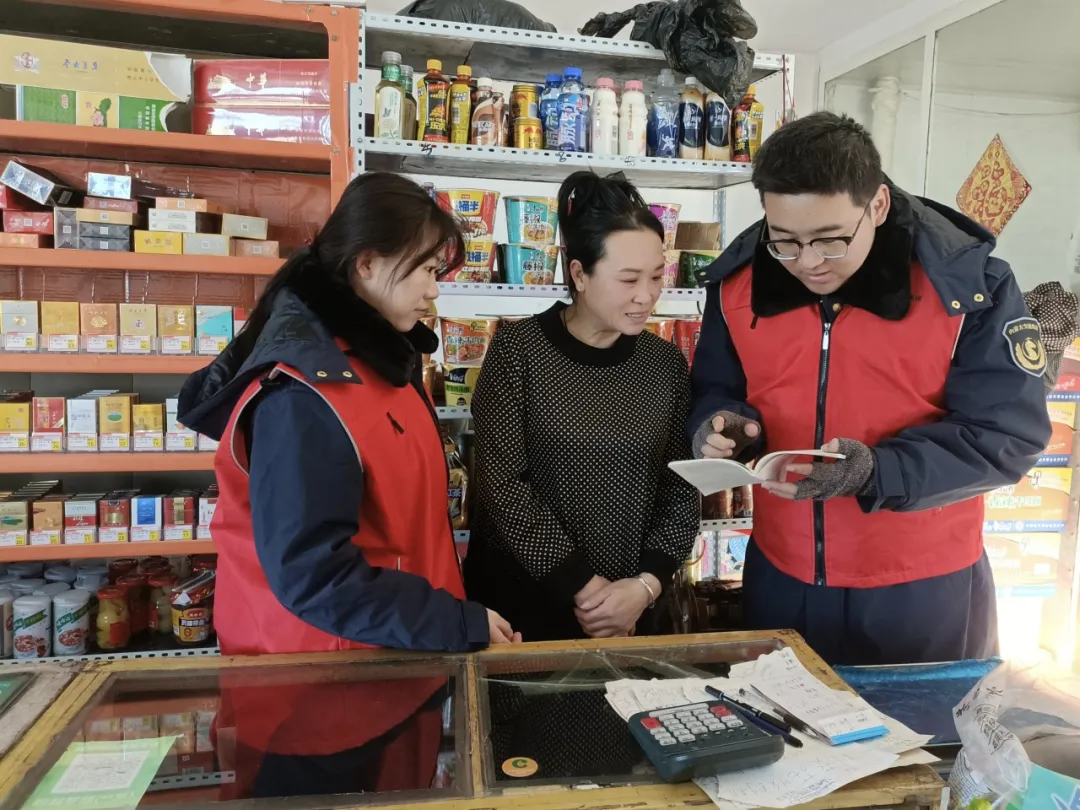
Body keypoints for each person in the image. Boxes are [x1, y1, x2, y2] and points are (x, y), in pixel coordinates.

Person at [688, 112, 1051, 666]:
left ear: (876, 205)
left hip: (922, 588)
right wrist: (721, 426)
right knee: (785, 744)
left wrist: (875, 472)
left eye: (830, 240)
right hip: (782, 577)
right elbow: (714, 388)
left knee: (924, 747)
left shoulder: (968, 289)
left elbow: (1006, 436)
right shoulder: (739, 284)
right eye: (784, 240)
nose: (807, 263)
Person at [178, 171, 519, 655]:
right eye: (426, 270)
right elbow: (313, 574)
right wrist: (453, 621)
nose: (434, 292)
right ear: (367, 263)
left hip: (390, 655)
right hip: (320, 682)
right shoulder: (304, 396)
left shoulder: (379, 364)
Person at [463, 171, 699, 641]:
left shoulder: (665, 363)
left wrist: (645, 587)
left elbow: (682, 487)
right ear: (579, 274)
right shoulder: (518, 351)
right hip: (524, 612)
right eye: (628, 279)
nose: (647, 295)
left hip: (631, 613)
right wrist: (586, 590)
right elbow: (501, 485)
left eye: (657, 277)